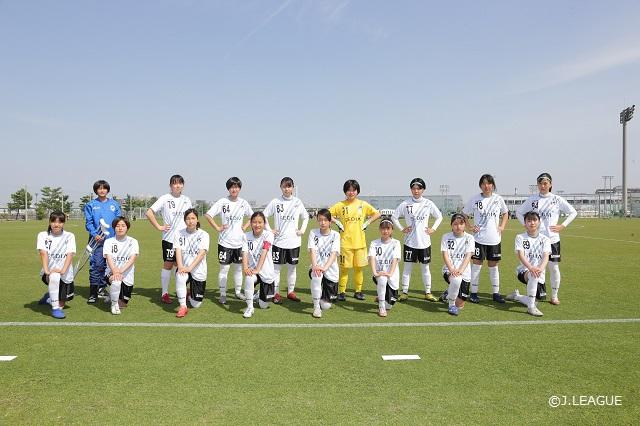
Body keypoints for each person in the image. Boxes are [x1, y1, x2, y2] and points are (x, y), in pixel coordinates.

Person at [516, 173, 577, 305]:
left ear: (550, 185)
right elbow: (518, 212)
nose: (542, 186)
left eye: (545, 183)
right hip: (537, 241)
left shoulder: (556, 199)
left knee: (553, 268)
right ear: (537, 185)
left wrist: (562, 225)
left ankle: (554, 296)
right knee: (536, 270)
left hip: (552, 240)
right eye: (540, 183)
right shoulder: (532, 199)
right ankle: (532, 292)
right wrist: (525, 224)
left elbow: (573, 212)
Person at [391, 178, 443, 302]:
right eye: (413, 188)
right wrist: (402, 228)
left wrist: (433, 229)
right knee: (407, 268)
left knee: (425, 269)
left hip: (424, 242)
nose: (416, 191)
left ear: (423, 190)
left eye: (419, 188)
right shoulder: (405, 203)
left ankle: (428, 292)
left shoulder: (428, 203)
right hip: (410, 242)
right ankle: (404, 292)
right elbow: (394, 217)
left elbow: (439, 216)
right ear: (411, 190)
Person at [329, 179, 380, 301]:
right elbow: (326, 214)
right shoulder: (340, 205)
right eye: (348, 190)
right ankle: (342, 292)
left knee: (359, 269)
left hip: (360, 243)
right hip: (345, 243)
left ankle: (358, 291)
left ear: (357, 191)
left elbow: (377, 214)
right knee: (344, 269)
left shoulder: (363, 204)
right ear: (345, 191)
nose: (351, 192)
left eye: (353, 190)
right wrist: (337, 222)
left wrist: (367, 223)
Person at [205, 177, 253, 304]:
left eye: (236, 187)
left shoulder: (243, 203)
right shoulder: (222, 202)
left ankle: (237, 292)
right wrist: (217, 227)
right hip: (225, 243)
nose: (234, 189)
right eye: (232, 187)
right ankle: (222, 294)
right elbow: (208, 215)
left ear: (239, 188)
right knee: (224, 270)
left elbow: (252, 216)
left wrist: (245, 226)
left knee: (238, 269)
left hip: (240, 243)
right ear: (228, 188)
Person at [145, 174, 192, 305]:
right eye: (175, 183)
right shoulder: (165, 198)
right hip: (170, 239)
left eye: (180, 183)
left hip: (185, 240)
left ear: (183, 185)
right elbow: (149, 212)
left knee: (182, 266)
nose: (178, 186)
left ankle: (181, 290)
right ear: (170, 185)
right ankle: (164, 293)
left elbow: (190, 217)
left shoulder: (186, 200)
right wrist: (159, 226)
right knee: (168, 264)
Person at [462, 174, 509, 304]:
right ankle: (474, 293)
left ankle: (496, 293)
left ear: (493, 185)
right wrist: (470, 226)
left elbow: (505, 213)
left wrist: (502, 226)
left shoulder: (498, 199)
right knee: (477, 266)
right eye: (483, 183)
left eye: (488, 183)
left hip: (494, 239)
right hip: (479, 239)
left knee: (493, 267)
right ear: (480, 185)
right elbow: (464, 213)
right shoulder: (475, 199)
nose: (486, 186)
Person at [263, 177, 309, 303]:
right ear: (281, 187)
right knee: (276, 269)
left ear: (292, 187)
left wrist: (302, 230)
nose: (286, 189)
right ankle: (276, 293)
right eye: (284, 186)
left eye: (289, 186)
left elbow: (305, 217)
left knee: (292, 268)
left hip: (294, 242)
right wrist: (269, 230)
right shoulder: (275, 202)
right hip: (278, 242)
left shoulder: (297, 202)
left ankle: (290, 292)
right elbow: (264, 215)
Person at [506, 211, 551, 317]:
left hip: (539, 272)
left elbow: (546, 256)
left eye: (535, 220)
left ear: (539, 222)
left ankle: (516, 296)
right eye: (529, 220)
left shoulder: (545, 239)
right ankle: (531, 308)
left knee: (537, 299)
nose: (532, 223)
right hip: (524, 271)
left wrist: (540, 269)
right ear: (525, 223)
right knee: (533, 276)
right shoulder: (520, 237)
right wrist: (531, 268)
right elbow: (521, 255)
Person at [84, 180, 121, 304]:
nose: (102, 190)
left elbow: (119, 222)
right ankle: (93, 293)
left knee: (110, 266)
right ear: (96, 190)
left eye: (104, 188)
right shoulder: (90, 205)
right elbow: (89, 223)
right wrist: (95, 234)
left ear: (108, 190)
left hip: (112, 241)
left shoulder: (114, 204)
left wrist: (118, 236)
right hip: (97, 241)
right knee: (97, 266)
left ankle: (102, 288)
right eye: (99, 188)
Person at [37, 211, 76, 319]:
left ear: (64, 223)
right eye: (53, 221)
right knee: (54, 276)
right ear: (49, 222)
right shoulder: (43, 235)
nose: (56, 224)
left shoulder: (69, 236)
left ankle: (49, 298)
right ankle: (55, 309)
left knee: (62, 305)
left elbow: (70, 254)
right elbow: (43, 253)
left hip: (65, 273)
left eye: (60, 222)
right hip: (49, 273)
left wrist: (63, 270)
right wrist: (47, 271)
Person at [174, 209, 210, 318]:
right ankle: (183, 306)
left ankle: (189, 292)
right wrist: (180, 266)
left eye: (193, 218)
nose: (190, 221)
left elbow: (202, 254)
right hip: (185, 268)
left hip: (198, 270)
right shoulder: (179, 233)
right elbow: (178, 250)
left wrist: (190, 268)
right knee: (180, 276)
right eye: (188, 219)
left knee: (196, 304)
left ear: (197, 219)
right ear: (184, 220)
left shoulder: (204, 234)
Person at [241, 212, 276, 319]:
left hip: (266, 272)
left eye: (260, 222)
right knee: (249, 277)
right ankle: (250, 307)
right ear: (251, 223)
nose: (257, 225)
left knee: (263, 305)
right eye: (254, 222)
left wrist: (258, 269)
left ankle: (259, 294)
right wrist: (245, 267)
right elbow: (244, 253)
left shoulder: (268, 235)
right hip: (253, 271)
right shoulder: (246, 236)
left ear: (264, 223)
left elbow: (264, 251)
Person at [308, 209, 341, 318]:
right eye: (320, 220)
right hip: (317, 266)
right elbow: (312, 250)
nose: (322, 222)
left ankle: (320, 297)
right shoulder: (313, 232)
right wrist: (315, 265)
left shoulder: (335, 235)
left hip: (330, 269)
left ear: (330, 221)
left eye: (325, 220)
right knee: (316, 275)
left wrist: (325, 268)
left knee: (326, 305)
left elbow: (334, 253)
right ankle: (316, 307)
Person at [439, 213, 475, 316]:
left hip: (464, 272)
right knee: (456, 279)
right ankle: (451, 305)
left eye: (461, 224)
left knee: (460, 305)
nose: (458, 226)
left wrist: (461, 270)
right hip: (449, 270)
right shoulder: (446, 237)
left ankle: (447, 294)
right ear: (451, 225)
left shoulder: (470, 238)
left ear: (465, 225)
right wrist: (451, 269)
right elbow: (445, 254)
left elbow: (468, 256)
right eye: (455, 224)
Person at [103, 216, 139, 315]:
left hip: (127, 275)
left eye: (123, 226)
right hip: (111, 273)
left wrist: (120, 271)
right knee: (116, 281)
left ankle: (112, 295)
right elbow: (108, 258)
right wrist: (115, 271)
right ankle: (114, 305)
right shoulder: (108, 242)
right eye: (117, 226)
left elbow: (132, 259)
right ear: (114, 227)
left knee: (123, 304)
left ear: (127, 227)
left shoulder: (133, 241)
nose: (120, 228)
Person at [368, 218, 401, 318]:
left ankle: (381, 297)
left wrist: (390, 273)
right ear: (379, 229)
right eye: (383, 228)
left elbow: (395, 259)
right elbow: (372, 258)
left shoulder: (396, 243)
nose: (385, 231)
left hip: (392, 275)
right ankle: (381, 307)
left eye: (388, 228)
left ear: (392, 229)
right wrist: (375, 273)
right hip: (379, 273)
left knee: (389, 305)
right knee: (382, 279)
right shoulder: (374, 243)